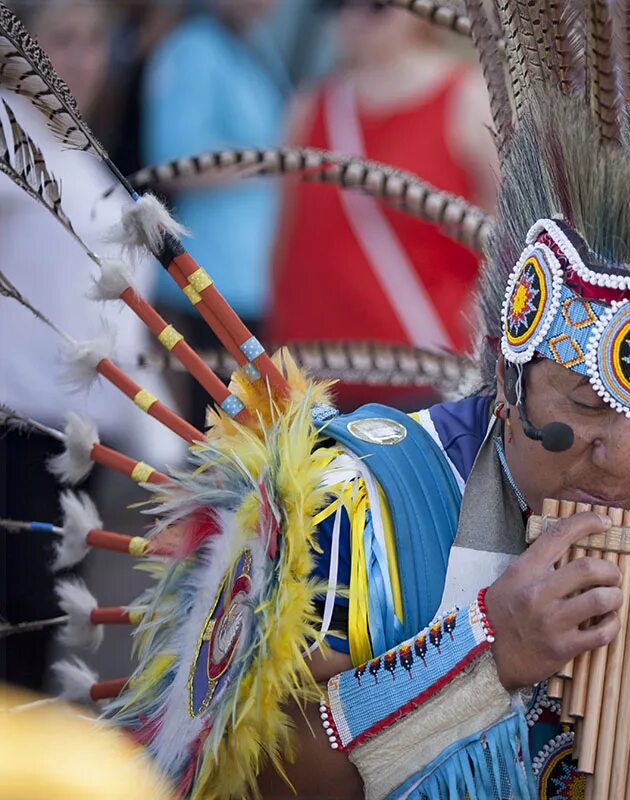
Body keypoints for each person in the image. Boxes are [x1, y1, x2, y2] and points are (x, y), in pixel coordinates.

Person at [1, 3, 630, 799]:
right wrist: (480, 656)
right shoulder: (347, 505)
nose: (620, 457)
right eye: (587, 406)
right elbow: (249, 780)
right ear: (511, 378)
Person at [0, 0, 178, 691]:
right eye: (59, 40)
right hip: (15, 437)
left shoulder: (80, 153)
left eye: (93, 41)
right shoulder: (11, 130)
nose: (76, 59)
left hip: (72, 446)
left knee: (35, 638)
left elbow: (119, 321)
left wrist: (169, 449)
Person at [268, 0, 496, 408]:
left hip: (428, 381)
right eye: (335, 5)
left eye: (375, 6)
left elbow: (508, 245)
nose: (353, 18)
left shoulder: (468, 101)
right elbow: (286, 242)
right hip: (314, 387)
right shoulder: (307, 108)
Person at [141, 0, 286, 394]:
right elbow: (176, 161)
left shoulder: (255, 43)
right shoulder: (191, 48)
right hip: (209, 284)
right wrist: (278, 162)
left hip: (255, 281)